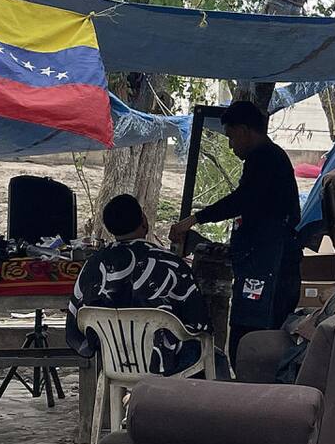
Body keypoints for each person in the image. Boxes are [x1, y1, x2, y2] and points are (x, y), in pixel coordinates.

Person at [170, 100, 301, 368]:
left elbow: (242, 200)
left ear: (243, 130)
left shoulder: (265, 158)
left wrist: (194, 219)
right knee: (249, 324)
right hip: (261, 257)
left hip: (268, 263)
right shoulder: (266, 159)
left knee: (254, 329)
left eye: (231, 137)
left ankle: (253, 381)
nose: (230, 146)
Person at [66, 194, 211, 373]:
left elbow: (76, 323)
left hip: (115, 362)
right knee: (214, 356)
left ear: (109, 227)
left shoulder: (94, 264)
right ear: (144, 221)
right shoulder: (171, 264)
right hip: (165, 364)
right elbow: (199, 322)